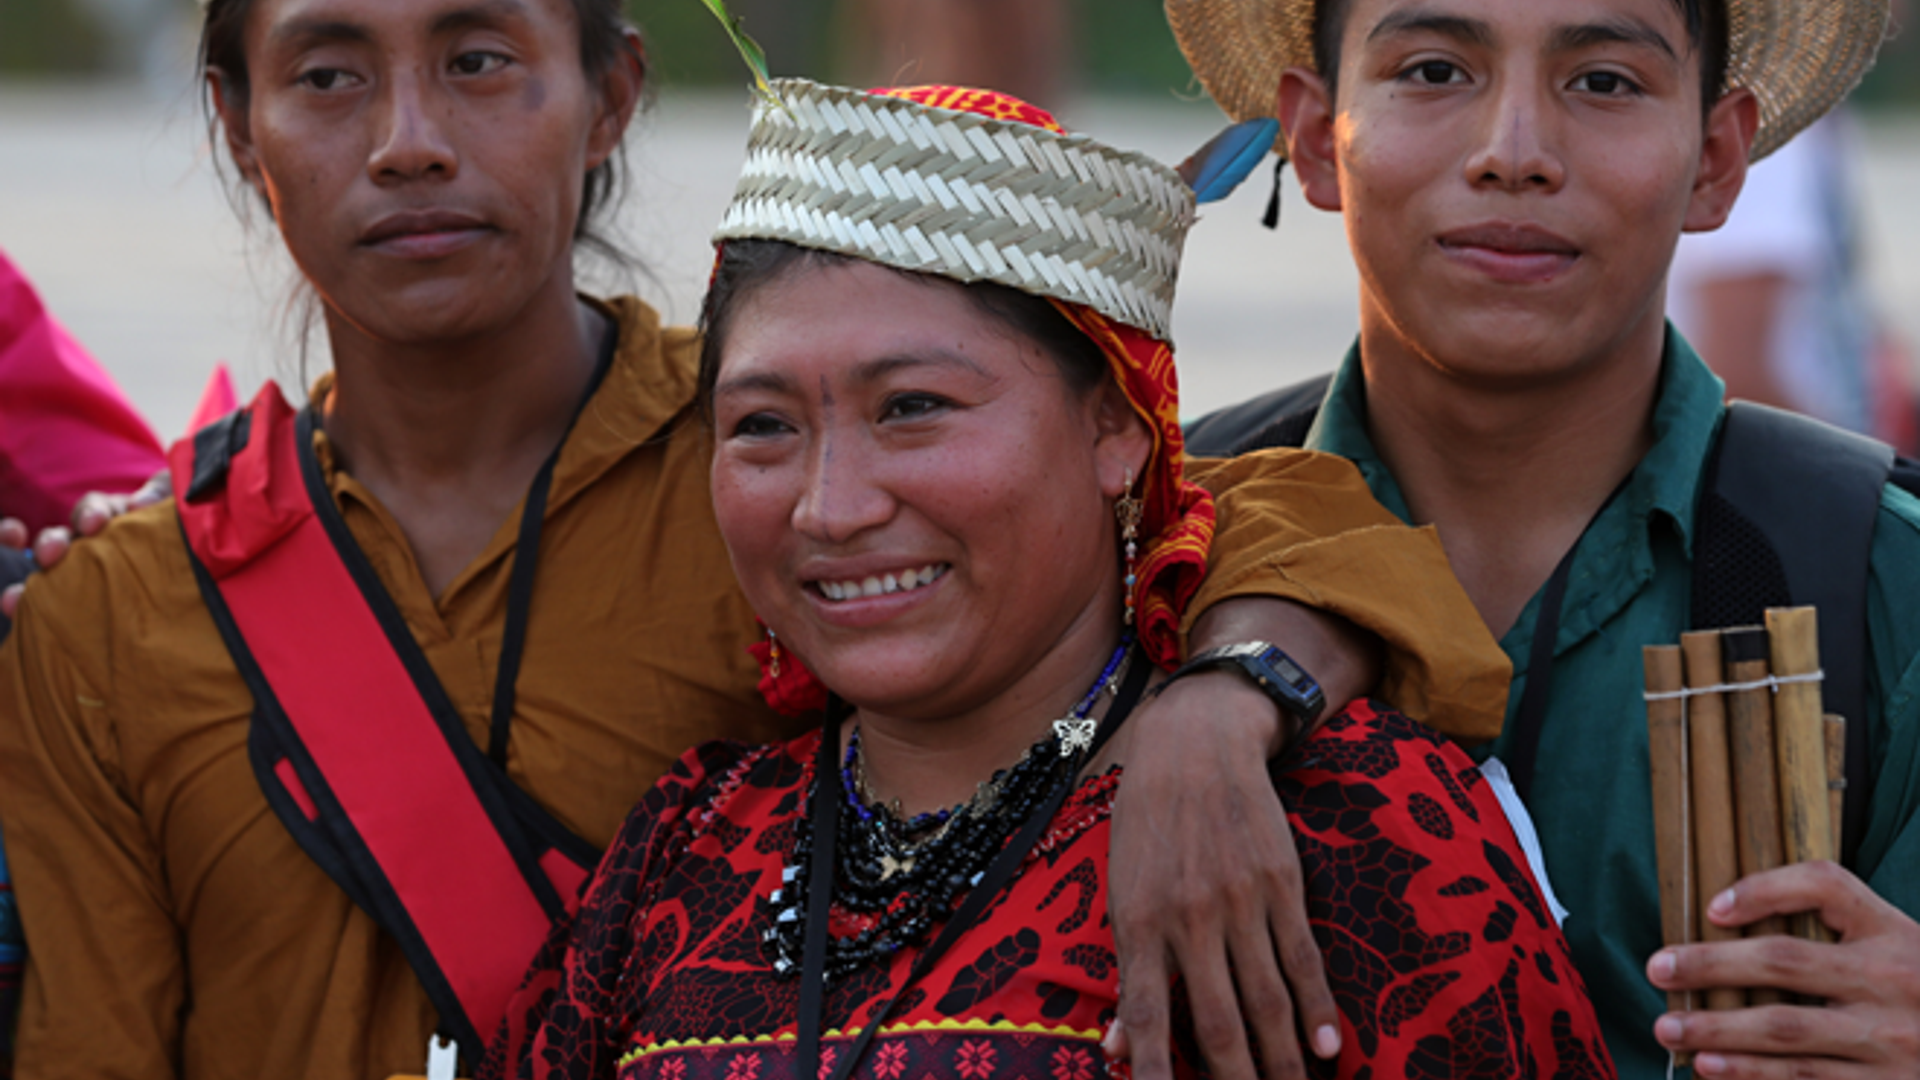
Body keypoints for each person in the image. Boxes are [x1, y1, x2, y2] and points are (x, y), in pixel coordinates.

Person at [0, 1, 1512, 1077]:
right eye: (328, 73)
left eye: (478, 59)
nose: (408, 142)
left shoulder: (776, 466)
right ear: (235, 121)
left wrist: (1226, 701)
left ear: (611, 93)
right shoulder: (119, 615)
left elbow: (1272, 515)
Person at [481, 78, 1615, 1080]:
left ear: (1117, 426)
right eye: (763, 426)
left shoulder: (1335, 826)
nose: (830, 506)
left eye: (912, 407)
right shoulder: (686, 849)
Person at [1166, 0, 1920, 1075]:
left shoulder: (1884, 589)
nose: (1512, 152)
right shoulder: (1142, 549)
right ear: (1316, 136)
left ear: (1715, 161)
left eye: (1604, 81)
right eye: (1434, 71)